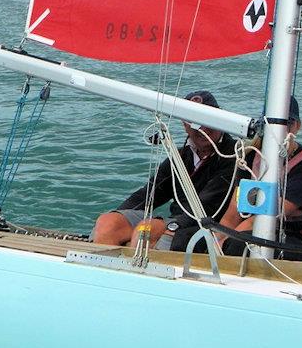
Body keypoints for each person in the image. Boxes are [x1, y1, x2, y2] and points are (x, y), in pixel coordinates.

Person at [91, 90, 239, 250]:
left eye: (207, 119)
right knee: (108, 223)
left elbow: (207, 206)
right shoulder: (181, 157)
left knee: (146, 231)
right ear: (184, 124)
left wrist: (173, 225)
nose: (202, 128)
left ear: (220, 118)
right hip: (176, 220)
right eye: (194, 121)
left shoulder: (235, 156)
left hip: (204, 225)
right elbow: (149, 194)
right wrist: (118, 213)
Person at [216, 96, 302, 262]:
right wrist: (213, 240)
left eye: (288, 123)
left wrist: (224, 242)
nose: (280, 130)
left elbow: (265, 217)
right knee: (194, 239)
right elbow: (232, 216)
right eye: (272, 124)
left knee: (237, 245)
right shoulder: (250, 159)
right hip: (260, 234)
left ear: (297, 126)